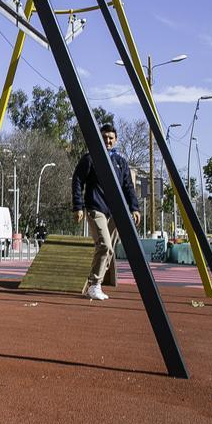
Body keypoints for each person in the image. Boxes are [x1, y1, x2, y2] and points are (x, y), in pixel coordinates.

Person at [72, 122, 140, 301]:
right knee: (104, 246)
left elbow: (128, 187)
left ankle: (95, 284)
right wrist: (78, 206)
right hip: (96, 208)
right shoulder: (90, 159)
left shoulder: (120, 162)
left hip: (115, 212)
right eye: (104, 138)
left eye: (110, 138)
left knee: (109, 251)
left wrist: (134, 208)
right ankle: (94, 285)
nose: (107, 141)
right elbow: (78, 180)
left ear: (115, 140)